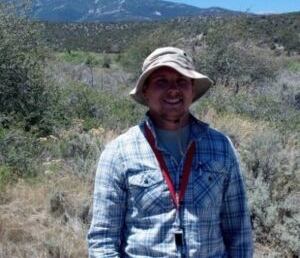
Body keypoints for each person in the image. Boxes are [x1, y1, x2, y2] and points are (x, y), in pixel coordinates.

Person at [88, 47, 253, 257]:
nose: (173, 89)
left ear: (192, 89)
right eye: (161, 82)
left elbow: (239, 231)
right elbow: (103, 241)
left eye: (181, 81)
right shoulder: (118, 153)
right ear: (145, 91)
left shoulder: (221, 146)